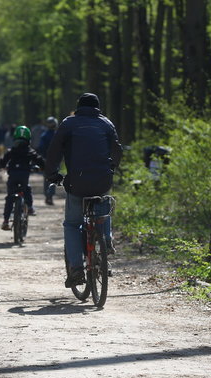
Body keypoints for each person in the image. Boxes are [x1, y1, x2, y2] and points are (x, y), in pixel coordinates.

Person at [44, 93, 123, 288]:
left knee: (72, 224)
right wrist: (111, 168)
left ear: (78, 106)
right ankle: (106, 241)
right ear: (98, 107)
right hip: (103, 181)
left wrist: (52, 174)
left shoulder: (68, 123)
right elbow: (117, 150)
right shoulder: (106, 124)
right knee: (103, 202)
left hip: (77, 183)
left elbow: (54, 151)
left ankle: (77, 269)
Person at [0, 125, 44, 230]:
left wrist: (2, 166)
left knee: (10, 197)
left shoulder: (12, 150)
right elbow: (39, 160)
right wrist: (42, 167)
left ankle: (6, 220)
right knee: (26, 189)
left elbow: (3, 161)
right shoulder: (29, 151)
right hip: (24, 176)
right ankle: (30, 207)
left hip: (12, 175)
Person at [37, 116, 58, 205]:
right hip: (56, 159)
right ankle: (51, 196)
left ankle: (47, 195)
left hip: (46, 159)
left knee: (46, 178)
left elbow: (40, 147)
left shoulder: (44, 135)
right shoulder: (57, 135)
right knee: (53, 178)